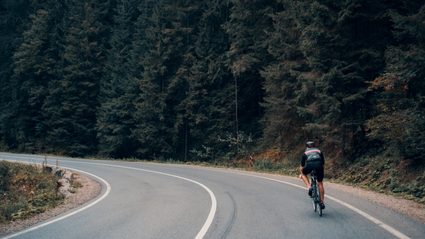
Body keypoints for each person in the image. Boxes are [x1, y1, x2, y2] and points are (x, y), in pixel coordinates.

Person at [299, 140, 325, 209]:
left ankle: (309, 187)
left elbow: (302, 166)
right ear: (314, 146)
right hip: (319, 165)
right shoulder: (319, 151)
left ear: (307, 147)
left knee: (303, 174)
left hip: (310, 165)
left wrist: (301, 173)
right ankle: (322, 202)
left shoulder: (305, 153)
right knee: (320, 183)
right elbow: (323, 162)